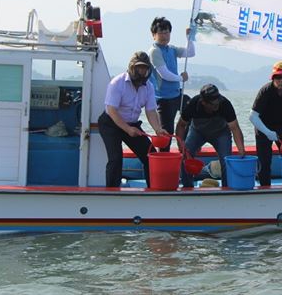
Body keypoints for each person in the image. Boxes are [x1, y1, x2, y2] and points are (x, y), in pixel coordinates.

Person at [98, 51, 169, 188]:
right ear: (132, 67)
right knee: (116, 159)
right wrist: (127, 129)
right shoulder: (117, 83)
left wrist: (158, 129)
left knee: (150, 156)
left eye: (144, 68)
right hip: (111, 123)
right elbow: (112, 110)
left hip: (132, 124)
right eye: (138, 67)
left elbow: (151, 111)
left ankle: (153, 189)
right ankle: (112, 193)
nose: (142, 71)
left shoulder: (149, 87)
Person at [175, 84, 245, 188]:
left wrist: (241, 150)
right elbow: (181, 125)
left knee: (226, 160)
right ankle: (187, 187)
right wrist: (181, 146)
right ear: (203, 102)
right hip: (197, 132)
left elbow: (235, 128)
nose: (217, 104)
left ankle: (227, 189)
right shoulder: (193, 104)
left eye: (218, 101)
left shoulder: (225, 104)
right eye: (213, 104)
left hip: (221, 133)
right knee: (185, 157)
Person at [148, 17, 195, 151]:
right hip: (164, 99)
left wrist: (189, 38)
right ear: (154, 35)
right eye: (161, 33)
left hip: (177, 95)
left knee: (192, 112)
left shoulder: (171, 49)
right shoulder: (154, 51)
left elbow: (191, 52)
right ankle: (164, 159)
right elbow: (164, 74)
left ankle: (185, 146)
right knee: (166, 134)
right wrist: (181, 78)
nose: (164, 36)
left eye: (167, 32)